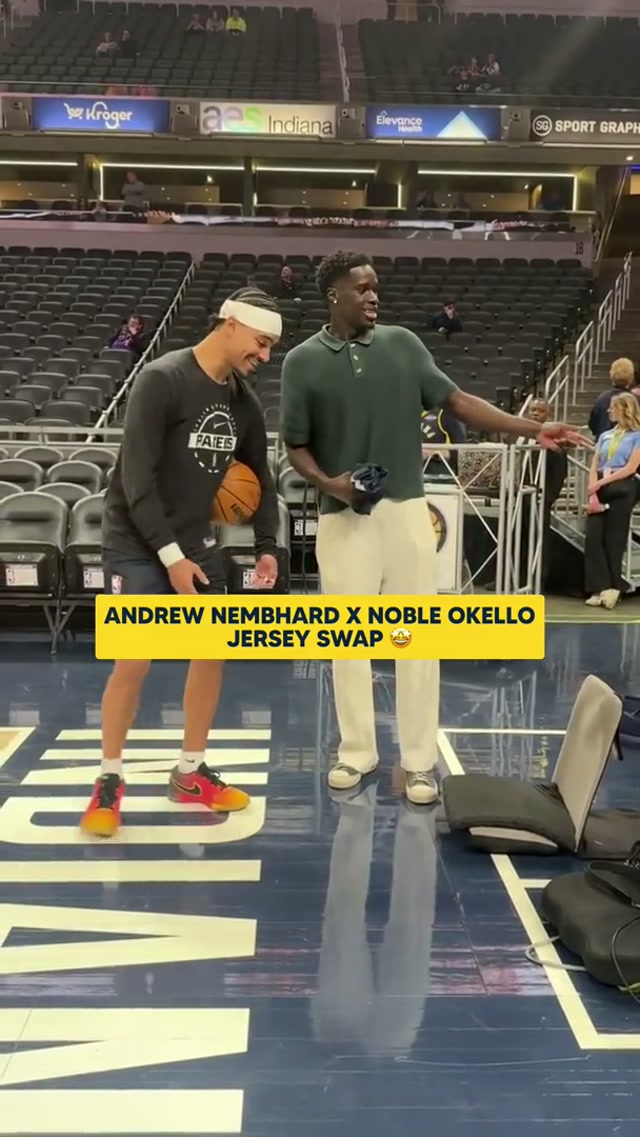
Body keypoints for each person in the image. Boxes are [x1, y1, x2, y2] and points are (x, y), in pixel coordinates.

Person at [280, 250, 587, 806]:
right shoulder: (301, 361)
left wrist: (529, 429)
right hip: (342, 518)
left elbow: (459, 402)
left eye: (376, 287)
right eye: (362, 288)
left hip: (406, 512)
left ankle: (419, 761)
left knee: (415, 639)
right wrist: (331, 484)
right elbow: (295, 444)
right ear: (334, 296)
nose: (374, 296)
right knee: (347, 642)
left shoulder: (403, 345)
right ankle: (356, 752)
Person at [83, 287, 282, 838]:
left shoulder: (244, 402)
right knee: (135, 659)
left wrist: (268, 545)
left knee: (212, 651)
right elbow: (135, 480)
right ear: (231, 324)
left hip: (194, 540)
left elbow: (260, 479)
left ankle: (190, 772)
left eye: (271, 347)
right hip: (135, 541)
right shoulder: (162, 379)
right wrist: (169, 557)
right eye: (260, 342)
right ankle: (109, 778)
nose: (265, 355)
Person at [585, 392, 640, 610]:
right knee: (593, 536)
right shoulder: (605, 435)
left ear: (625, 409)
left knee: (614, 538)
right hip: (600, 483)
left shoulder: (637, 436)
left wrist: (602, 482)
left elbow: (630, 467)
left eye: (613, 408)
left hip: (622, 485)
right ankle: (597, 587)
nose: (609, 411)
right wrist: (593, 490)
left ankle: (612, 587)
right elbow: (594, 463)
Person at [588, 356, 636, 440]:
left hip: (603, 443)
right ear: (631, 377)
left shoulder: (601, 399)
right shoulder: (634, 401)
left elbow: (593, 426)